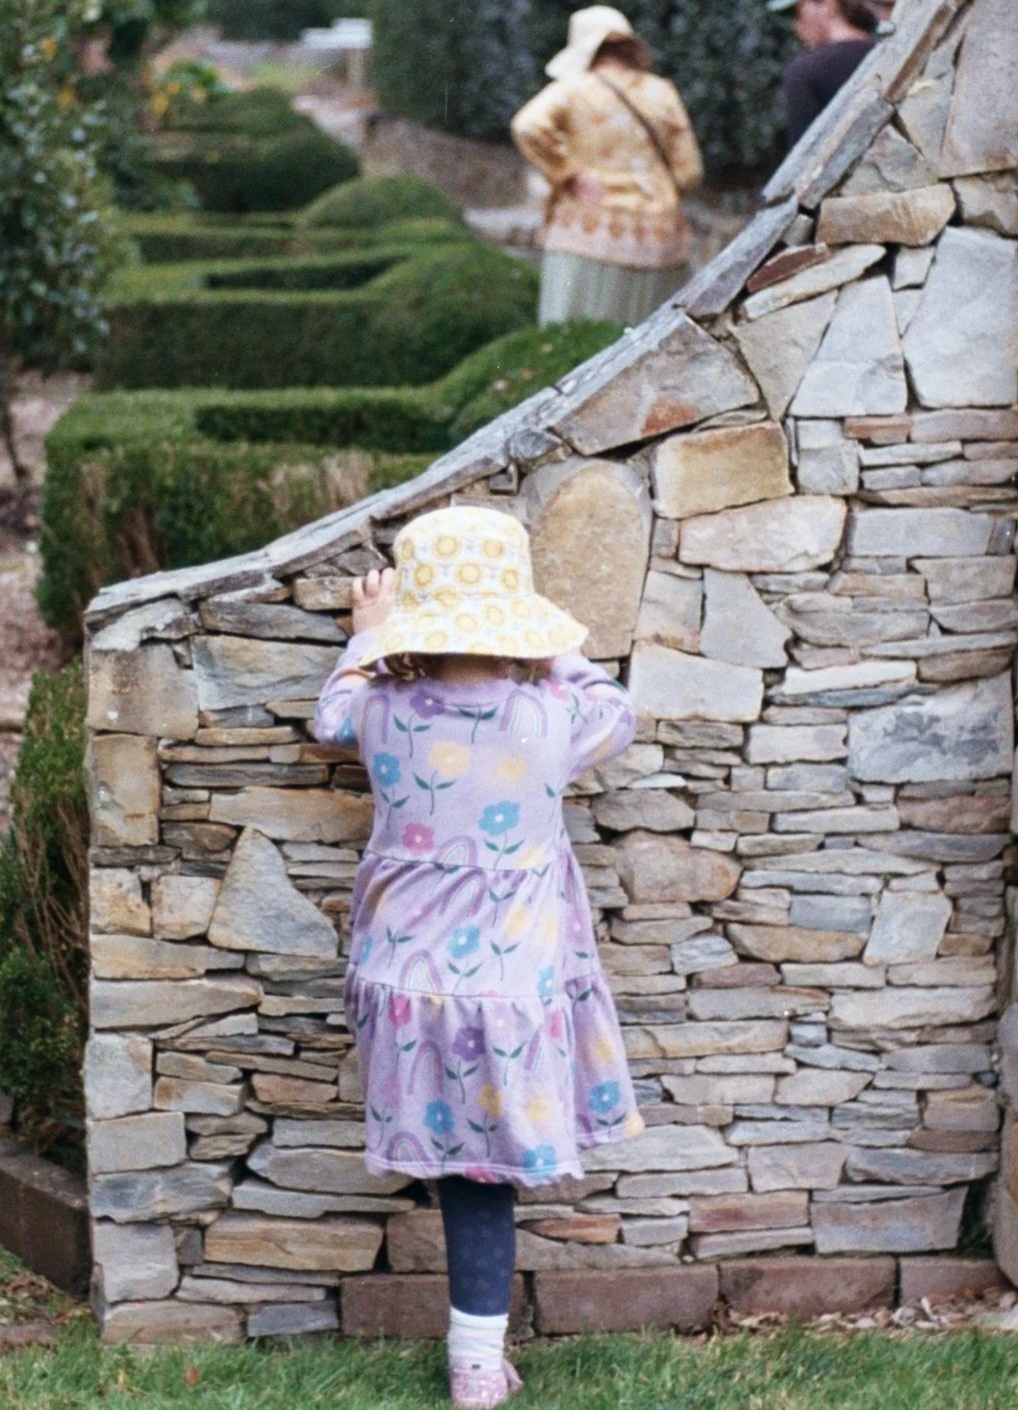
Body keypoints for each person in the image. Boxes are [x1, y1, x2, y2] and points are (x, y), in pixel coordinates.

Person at [310, 505, 643, 1408]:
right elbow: (619, 708)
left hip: (407, 985)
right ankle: (472, 1365)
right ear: (516, 621)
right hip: (508, 990)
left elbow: (329, 715)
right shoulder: (550, 715)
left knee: (460, 1168)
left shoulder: (380, 709)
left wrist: (369, 638)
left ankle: (475, 1354)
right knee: (485, 1176)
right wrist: (550, 645)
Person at [509, 6, 704, 327]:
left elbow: (527, 126)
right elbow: (690, 171)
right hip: (660, 239)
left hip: (585, 231)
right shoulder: (662, 92)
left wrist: (567, 172)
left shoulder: (573, 89)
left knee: (575, 343)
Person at [768, 0, 879, 156]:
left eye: (797, 12)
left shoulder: (806, 71)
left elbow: (801, 158)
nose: (796, 25)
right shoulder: (888, 54)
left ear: (828, 4)